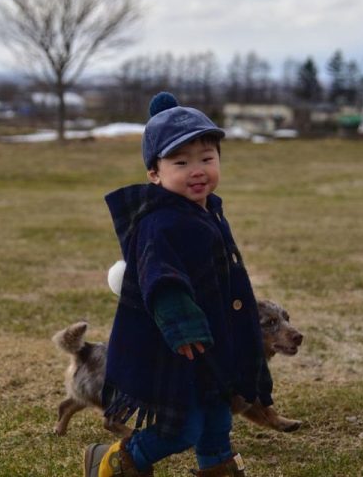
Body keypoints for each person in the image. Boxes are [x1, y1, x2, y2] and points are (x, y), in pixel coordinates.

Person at [84, 92, 273, 477]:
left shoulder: (207, 210)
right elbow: (161, 278)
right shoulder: (160, 222)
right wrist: (182, 325)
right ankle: (115, 461)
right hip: (177, 347)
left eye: (206, 158)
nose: (197, 169)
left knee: (218, 414)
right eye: (181, 162)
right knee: (182, 428)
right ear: (155, 173)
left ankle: (217, 466)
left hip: (213, 341)